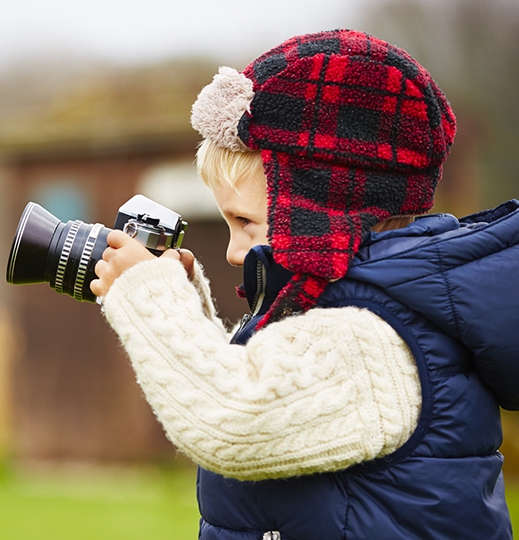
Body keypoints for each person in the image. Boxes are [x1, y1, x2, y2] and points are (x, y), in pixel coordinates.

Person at [89, 29, 519, 539]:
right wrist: (191, 309)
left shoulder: (372, 339)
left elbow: (232, 419)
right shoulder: (366, 311)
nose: (232, 252)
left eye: (246, 223)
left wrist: (150, 296)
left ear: (319, 211)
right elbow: (266, 384)